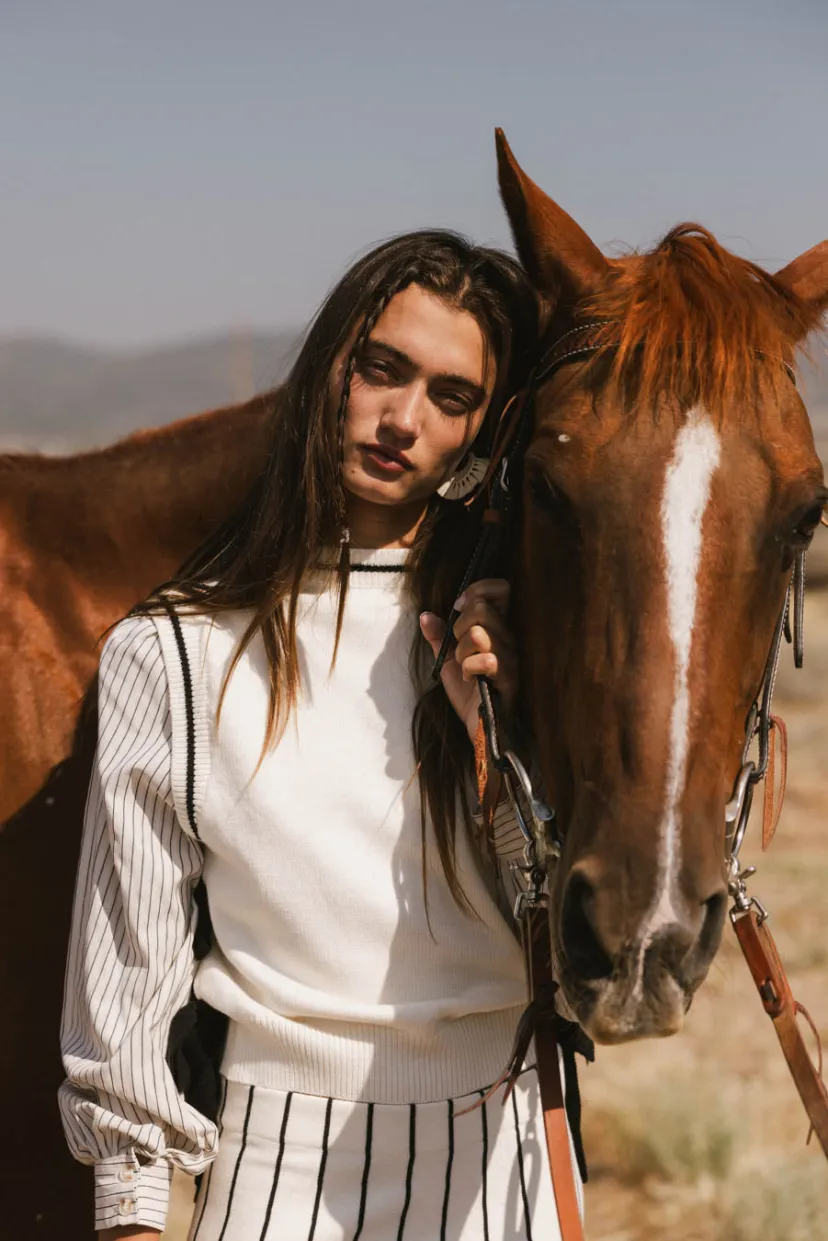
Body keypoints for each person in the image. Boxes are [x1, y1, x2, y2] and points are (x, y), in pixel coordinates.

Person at [59, 230, 575, 1240]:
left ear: (481, 431)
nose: (404, 417)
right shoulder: (171, 651)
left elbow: (575, 943)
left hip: (508, 1164)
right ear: (329, 364)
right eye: (383, 368)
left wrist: (493, 747)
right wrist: (134, 1212)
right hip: (270, 1168)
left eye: (450, 394)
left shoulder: (521, 643)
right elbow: (127, 976)